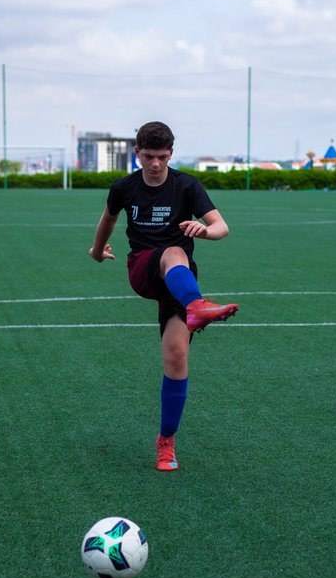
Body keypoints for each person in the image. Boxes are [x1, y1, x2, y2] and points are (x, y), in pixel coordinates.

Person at [88, 121, 239, 472]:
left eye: (161, 156)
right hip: (143, 268)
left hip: (180, 280)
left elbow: (221, 226)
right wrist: (97, 251)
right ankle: (198, 307)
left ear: (171, 153)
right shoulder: (123, 187)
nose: (155, 164)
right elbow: (108, 219)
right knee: (172, 250)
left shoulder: (186, 184)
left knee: (176, 358)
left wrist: (205, 230)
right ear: (137, 153)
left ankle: (165, 443)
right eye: (147, 156)